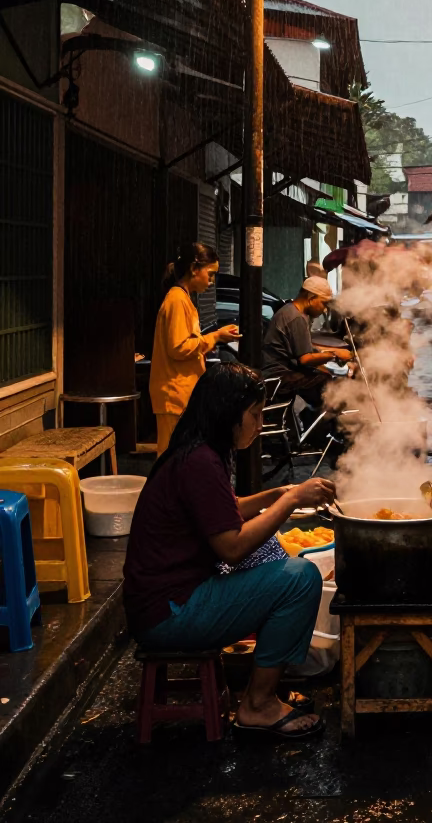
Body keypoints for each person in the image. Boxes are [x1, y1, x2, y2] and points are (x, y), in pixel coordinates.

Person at [124, 363, 336, 740]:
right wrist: (290, 504)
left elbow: (226, 509)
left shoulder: (198, 452)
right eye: (254, 414)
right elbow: (232, 546)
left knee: (271, 550)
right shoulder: (199, 461)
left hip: (167, 600)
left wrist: (280, 493)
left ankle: (269, 684)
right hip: (170, 613)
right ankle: (258, 704)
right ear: (227, 413)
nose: (258, 423)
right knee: (301, 578)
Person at [150, 243, 240, 455]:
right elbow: (178, 348)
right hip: (174, 392)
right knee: (172, 456)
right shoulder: (176, 300)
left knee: (180, 454)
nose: (211, 281)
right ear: (194, 269)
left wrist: (207, 342)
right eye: (210, 274)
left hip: (181, 391)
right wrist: (215, 337)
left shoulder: (183, 299)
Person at [261, 276, 353, 405]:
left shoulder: (292, 311)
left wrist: (331, 351)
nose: (325, 309)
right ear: (311, 298)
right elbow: (305, 359)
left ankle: (309, 417)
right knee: (326, 385)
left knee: (324, 374)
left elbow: (304, 347)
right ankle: (320, 421)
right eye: (323, 303)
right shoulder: (296, 317)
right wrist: (334, 355)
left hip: (281, 370)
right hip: (277, 375)